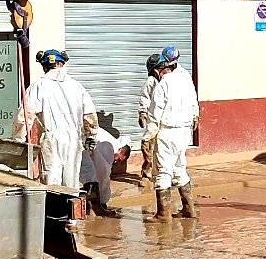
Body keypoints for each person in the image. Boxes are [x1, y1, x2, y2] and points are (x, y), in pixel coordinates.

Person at [12, 49, 98, 189]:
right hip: (74, 140)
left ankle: (55, 210)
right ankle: (70, 209)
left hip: (51, 140)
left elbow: (25, 116)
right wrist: (91, 136)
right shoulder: (77, 86)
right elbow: (90, 115)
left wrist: (18, 140)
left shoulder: (38, 86)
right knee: (72, 183)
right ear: (62, 64)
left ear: (44, 67)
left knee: (52, 181)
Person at [142, 50, 200, 223]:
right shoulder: (185, 81)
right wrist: (195, 116)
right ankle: (189, 209)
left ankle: (163, 214)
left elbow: (154, 116)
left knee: (163, 172)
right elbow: (193, 102)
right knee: (179, 168)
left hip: (167, 132)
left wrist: (147, 137)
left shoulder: (162, 86)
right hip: (184, 132)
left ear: (156, 71)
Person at [80, 126, 131, 218]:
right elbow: (103, 175)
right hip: (81, 144)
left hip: (82, 143)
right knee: (95, 176)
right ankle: (95, 208)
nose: (116, 162)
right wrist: (103, 201)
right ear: (120, 150)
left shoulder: (109, 144)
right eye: (119, 159)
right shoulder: (110, 146)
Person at [137, 53, 162, 181]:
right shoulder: (151, 81)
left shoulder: (173, 80)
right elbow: (145, 97)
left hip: (167, 121)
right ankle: (147, 173)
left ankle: (164, 174)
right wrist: (142, 112)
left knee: (163, 148)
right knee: (146, 145)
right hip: (153, 119)